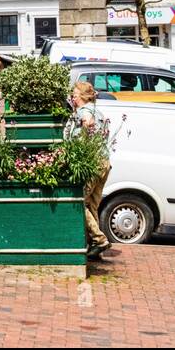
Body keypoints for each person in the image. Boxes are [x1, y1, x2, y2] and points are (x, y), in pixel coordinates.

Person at [67, 79, 113, 260]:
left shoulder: (84, 112)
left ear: (82, 97)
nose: (72, 97)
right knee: (92, 205)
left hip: (92, 164)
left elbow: (87, 121)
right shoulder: (99, 111)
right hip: (104, 163)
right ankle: (94, 245)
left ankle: (100, 240)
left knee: (79, 201)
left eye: (75, 95)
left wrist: (87, 124)